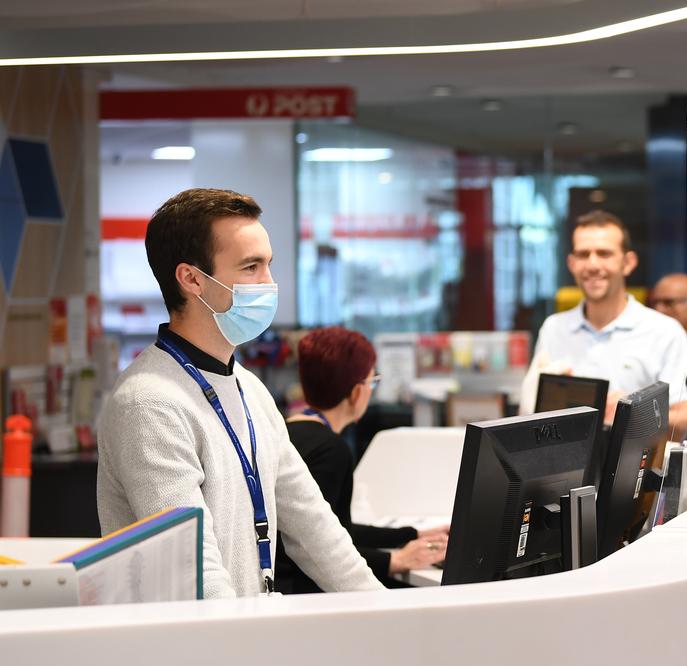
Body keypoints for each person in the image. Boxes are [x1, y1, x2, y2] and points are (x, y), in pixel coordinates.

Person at [97, 188, 382, 599]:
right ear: (191, 278)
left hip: (240, 637)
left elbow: (314, 526)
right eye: (250, 267)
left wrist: (385, 612)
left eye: (268, 265)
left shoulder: (249, 388)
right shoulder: (149, 403)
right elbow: (195, 568)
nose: (268, 283)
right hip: (187, 650)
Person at [276, 327, 451, 593]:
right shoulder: (330, 451)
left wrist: (411, 535)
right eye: (372, 382)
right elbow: (321, 548)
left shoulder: (286, 432)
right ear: (357, 393)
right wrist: (397, 560)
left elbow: (336, 529)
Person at [522, 210, 687, 432]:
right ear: (571, 264)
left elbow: (686, 415)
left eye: (604, 253)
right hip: (567, 464)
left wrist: (630, 415)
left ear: (628, 262)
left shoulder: (665, 332)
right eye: (583, 255)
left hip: (634, 466)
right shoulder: (554, 328)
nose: (592, 265)